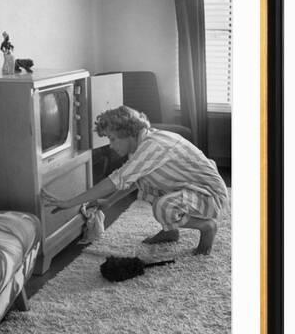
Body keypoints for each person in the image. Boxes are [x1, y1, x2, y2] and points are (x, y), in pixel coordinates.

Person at [41, 105, 228, 255]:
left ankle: (207, 226)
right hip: (192, 188)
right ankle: (171, 231)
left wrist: (69, 203)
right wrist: (109, 201)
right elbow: (131, 179)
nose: (111, 146)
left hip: (211, 197)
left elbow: (116, 179)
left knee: (163, 207)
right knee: (145, 180)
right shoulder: (143, 143)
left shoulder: (153, 146)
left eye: (113, 139)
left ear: (129, 133)